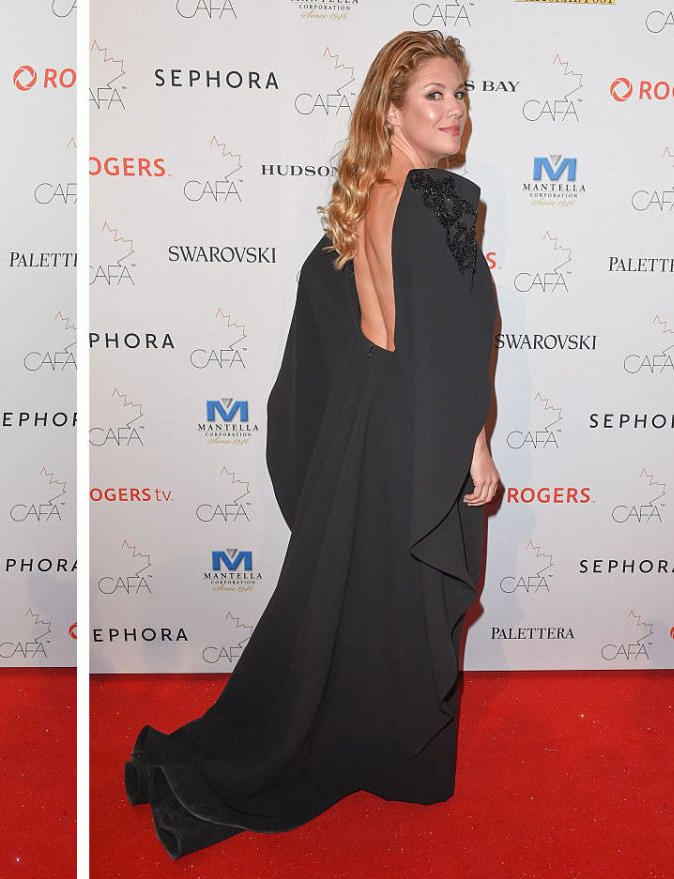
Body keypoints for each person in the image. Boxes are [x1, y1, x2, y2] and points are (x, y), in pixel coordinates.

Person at [123, 30, 500, 859]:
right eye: (434, 94)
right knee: (395, 602)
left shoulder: (371, 194)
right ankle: (388, 752)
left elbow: (364, 322)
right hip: (415, 423)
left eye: (461, 92)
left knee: (363, 602)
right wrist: (472, 440)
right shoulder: (433, 199)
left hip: (370, 421)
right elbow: (443, 342)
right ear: (391, 111)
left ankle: (368, 743)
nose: (455, 110)